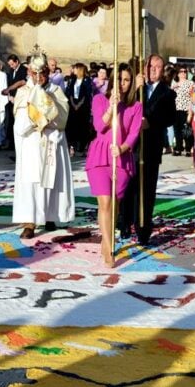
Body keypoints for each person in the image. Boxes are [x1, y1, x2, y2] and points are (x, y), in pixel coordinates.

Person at [12, 54, 75, 238]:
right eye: (34, 72)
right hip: (32, 143)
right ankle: (29, 222)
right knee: (32, 182)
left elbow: (62, 119)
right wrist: (35, 116)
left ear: (48, 72)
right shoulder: (23, 92)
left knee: (51, 179)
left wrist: (48, 108)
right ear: (29, 72)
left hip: (51, 142)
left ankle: (50, 215)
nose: (39, 77)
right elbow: (20, 123)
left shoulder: (56, 91)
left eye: (43, 73)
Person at [86, 64, 142, 267]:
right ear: (112, 80)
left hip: (121, 158)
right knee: (105, 202)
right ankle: (110, 249)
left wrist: (124, 148)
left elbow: (135, 133)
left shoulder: (136, 106)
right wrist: (111, 107)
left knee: (115, 206)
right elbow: (99, 126)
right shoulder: (99, 99)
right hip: (101, 155)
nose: (122, 84)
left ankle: (105, 237)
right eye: (119, 79)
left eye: (126, 80)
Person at [119, 55, 176, 245]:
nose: (153, 70)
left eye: (157, 67)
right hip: (130, 146)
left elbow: (170, 118)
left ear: (162, 70)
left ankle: (143, 228)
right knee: (127, 187)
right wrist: (135, 87)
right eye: (150, 66)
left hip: (151, 147)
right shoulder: (137, 87)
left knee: (146, 190)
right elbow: (122, 105)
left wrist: (150, 123)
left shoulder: (167, 93)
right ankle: (124, 223)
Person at [65, 63, 94, 156]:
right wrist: (73, 103)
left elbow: (87, 93)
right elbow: (69, 92)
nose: (74, 70)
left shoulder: (87, 80)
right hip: (73, 105)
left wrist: (80, 104)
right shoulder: (72, 80)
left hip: (83, 106)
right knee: (72, 126)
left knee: (82, 127)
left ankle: (81, 147)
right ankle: (72, 146)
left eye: (76, 68)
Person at [2, 54, 27, 150]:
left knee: (18, 122)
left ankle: (17, 144)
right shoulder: (11, 70)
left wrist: (14, 96)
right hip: (11, 99)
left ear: (17, 62)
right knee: (10, 122)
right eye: (9, 65)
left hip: (20, 100)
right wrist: (9, 96)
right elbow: (10, 83)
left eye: (12, 64)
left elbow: (22, 84)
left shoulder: (23, 70)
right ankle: (10, 143)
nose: (11, 66)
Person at [170, 65, 194, 157]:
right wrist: (173, 88)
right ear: (178, 73)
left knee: (186, 130)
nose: (183, 73)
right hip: (176, 109)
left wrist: (191, 109)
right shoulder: (174, 83)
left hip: (186, 109)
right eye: (181, 71)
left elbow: (193, 97)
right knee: (177, 130)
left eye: (185, 71)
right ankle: (178, 148)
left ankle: (188, 149)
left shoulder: (190, 83)